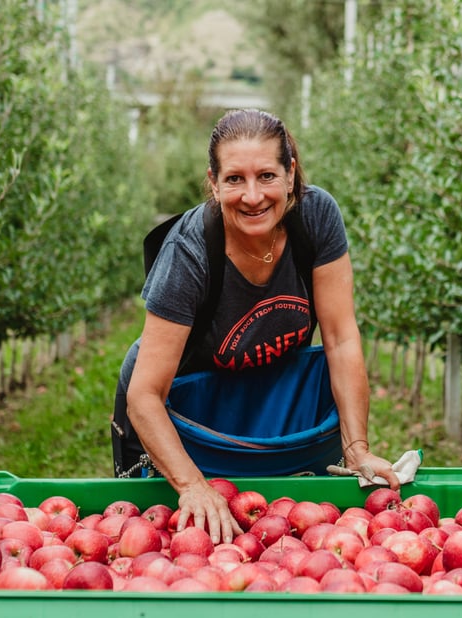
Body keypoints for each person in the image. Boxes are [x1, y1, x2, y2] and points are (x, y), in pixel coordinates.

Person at [112, 109, 400, 543]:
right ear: (213, 181)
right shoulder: (189, 253)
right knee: (177, 548)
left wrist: (356, 448)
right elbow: (144, 396)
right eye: (234, 179)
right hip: (184, 415)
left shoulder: (315, 218)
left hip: (268, 401)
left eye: (267, 175)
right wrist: (192, 486)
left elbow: (340, 339)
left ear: (291, 175)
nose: (252, 196)